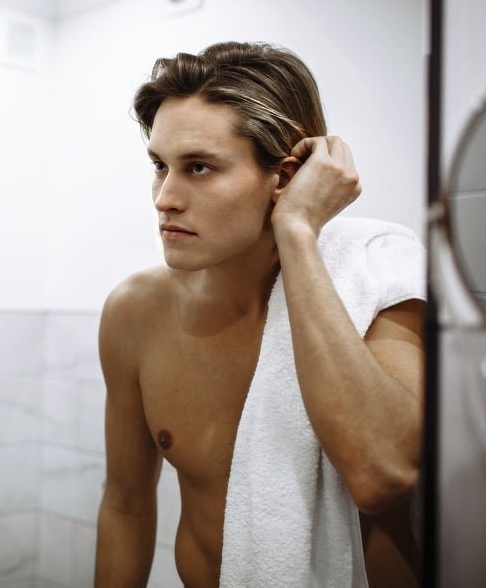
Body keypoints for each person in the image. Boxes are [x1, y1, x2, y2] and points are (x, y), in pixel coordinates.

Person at [95, 42, 425, 587]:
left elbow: (383, 474)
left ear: (286, 178)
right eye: (160, 166)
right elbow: (126, 505)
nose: (165, 197)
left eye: (199, 167)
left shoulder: (375, 277)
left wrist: (297, 232)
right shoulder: (136, 312)